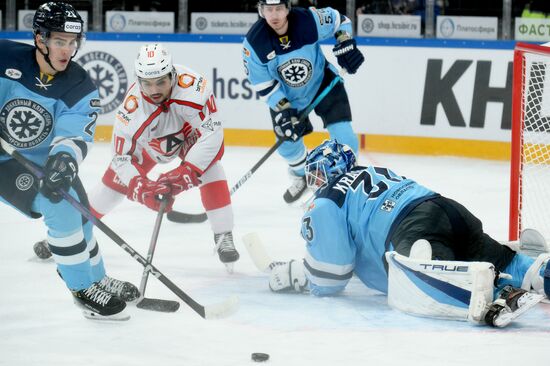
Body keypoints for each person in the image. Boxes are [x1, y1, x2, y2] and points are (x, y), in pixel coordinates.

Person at [267, 139, 550, 326]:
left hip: (411, 229)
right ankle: (541, 272)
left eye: (316, 175)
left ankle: (503, 291)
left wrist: (300, 274)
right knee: (503, 257)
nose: (315, 182)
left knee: (433, 282)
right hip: (446, 208)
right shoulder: (375, 170)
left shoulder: (326, 200)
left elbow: (332, 275)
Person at [0, 2, 138, 321]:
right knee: (59, 206)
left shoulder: (79, 84)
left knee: (80, 210)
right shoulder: (4, 57)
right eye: (60, 41)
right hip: (3, 164)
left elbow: (74, 134)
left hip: (43, 160)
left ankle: (97, 279)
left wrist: (64, 163)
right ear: (40, 39)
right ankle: (81, 289)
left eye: (73, 42)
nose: (67, 50)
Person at [75, 43, 238, 270]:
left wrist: (188, 171)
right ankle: (71, 231)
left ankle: (223, 234)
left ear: (172, 74)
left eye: (161, 81)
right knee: (111, 191)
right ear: (138, 80)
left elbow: (213, 135)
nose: (154, 90)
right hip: (149, 147)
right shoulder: (131, 112)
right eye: (147, 84)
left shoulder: (194, 88)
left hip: (187, 133)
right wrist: (140, 186)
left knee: (210, 166)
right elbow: (121, 158)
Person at [242, 0, 364, 203]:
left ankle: (347, 182)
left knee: (345, 138)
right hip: (287, 98)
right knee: (287, 147)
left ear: (287, 8)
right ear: (261, 11)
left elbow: (340, 21)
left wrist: (345, 42)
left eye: (279, 9)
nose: (275, 15)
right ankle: (303, 175)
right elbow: (264, 86)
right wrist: (285, 110)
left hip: (323, 84)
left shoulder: (309, 20)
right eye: (269, 9)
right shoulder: (254, 44)